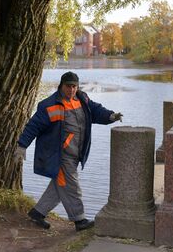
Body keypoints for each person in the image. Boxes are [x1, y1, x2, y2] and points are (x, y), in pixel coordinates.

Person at [15, 71, 123, 232]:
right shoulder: (50, 105)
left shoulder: (83, 99)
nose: (71, 90)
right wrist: (22, 145)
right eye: (68, 86)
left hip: (75, 155)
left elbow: (96, 111)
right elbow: (33, 125)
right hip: (60, 156)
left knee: (60, 187)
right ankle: (79, 219)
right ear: (61, 85)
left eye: (74, 86)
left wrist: (111, 116)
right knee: (72, 186)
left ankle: (37, 213)